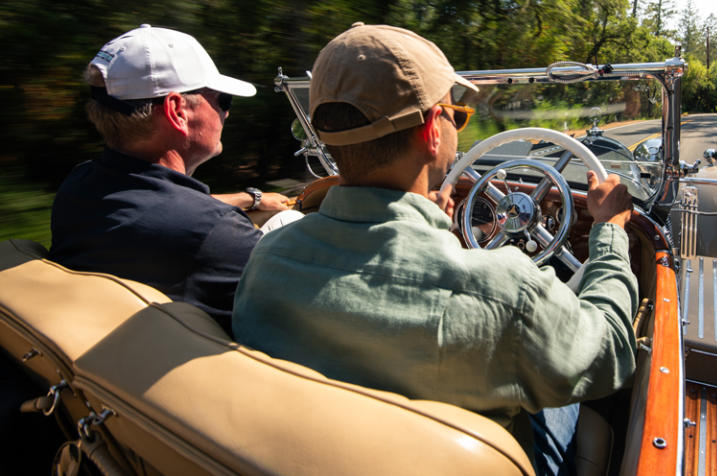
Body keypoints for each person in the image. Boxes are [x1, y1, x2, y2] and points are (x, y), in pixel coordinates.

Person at [232, 23, 639, 475]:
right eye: (455, 114)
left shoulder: (267, 260)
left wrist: (436, 233)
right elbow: (610, 352)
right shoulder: (505, 291)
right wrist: (609, 230)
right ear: (430, 132)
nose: (457, 123)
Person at [49, 25, 301, 333]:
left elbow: (159, 208)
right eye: (223, 101)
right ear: (177, 110)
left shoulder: (79, 185)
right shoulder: (215, 234)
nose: (227, 114)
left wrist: (252, 198)